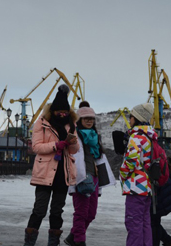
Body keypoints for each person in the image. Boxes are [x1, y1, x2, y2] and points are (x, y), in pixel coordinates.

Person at [24, 84, 80, 246]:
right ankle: (29, 243)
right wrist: (57, 145)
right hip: (45, 172)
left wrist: (72, 143)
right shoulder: (41, 123)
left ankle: (53, 243)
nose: (63, 115)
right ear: (53, 111)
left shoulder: (71, 124)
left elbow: (74, 150)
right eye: (60, 112)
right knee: (39, 210)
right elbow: (36, 147)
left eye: (65, 112)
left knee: (57, 211)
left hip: (63, 173)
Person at [63, 101, 116, 246]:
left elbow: (100, 159)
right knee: (81, 213)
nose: (89, 121)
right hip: (81, 177)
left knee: (91, 214)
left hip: (94, 178)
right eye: (86, 118)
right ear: (79, 120)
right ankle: (80, 241)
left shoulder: (94, 137)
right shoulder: (74, 135)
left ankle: (72, 237)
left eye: (91, 118)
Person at [120, 102, 156, 246]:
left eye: (131, 117)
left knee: (133, 223)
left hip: (135, 187)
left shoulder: (136, 137)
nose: (129, 120)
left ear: (137, 118)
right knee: (145, 223)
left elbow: (131, 160)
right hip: (147, 187)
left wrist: (122, 174)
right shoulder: (149, 136)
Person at [151, 177, 171, 246]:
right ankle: (169, 242)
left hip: (158, 191)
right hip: (161, 189)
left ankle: (169, 242)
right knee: (153, 221)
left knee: (153, 222)